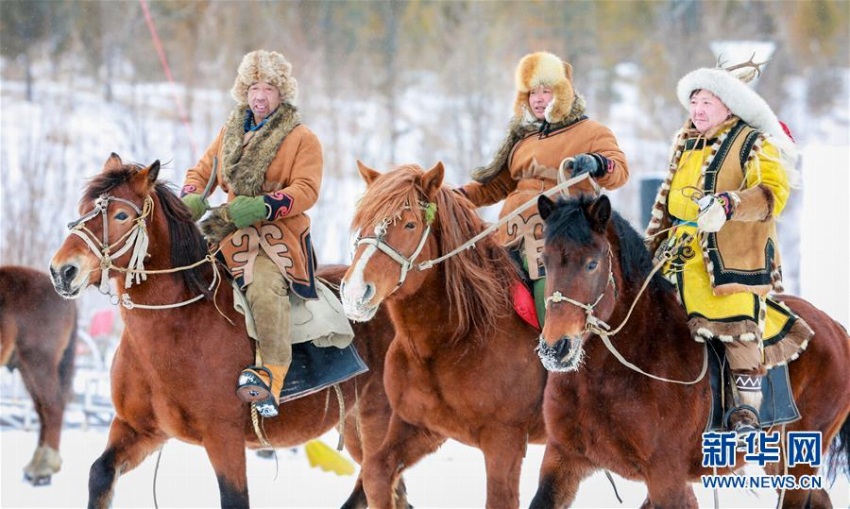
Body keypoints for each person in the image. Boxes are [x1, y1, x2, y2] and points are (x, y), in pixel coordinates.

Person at [644, 63, 812, 438]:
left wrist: (729, 204)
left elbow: (773, 194)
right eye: (693, 102)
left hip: (733, 262)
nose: (698, 110)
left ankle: (746, 409)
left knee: (736, 321)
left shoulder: (754, 141)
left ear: (729, 104)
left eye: (707, 101)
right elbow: (669, 204)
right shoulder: (684, 141)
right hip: (678, 255)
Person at [181, 49, 322, 418]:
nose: (260, 95)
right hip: (227, 231)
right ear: (244, 91)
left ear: (282, 94)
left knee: (261, 284)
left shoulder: (302, 138)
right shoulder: (230, 131)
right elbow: (201, 173)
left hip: (276, 237)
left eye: (269, 88)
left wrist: (267, 205)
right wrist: (191, 197)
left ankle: (272, 376)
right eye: (254, 87)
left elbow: (307, 189)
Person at [458, 51, 629, 328]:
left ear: (562, 93)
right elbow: (497, 185)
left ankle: (553, 351)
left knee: (546, 298)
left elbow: (619, 172)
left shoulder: (591, 132)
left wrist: (597, 163)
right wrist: (459, 196)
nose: (537, 99)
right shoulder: (524, 139)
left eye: (545, 91)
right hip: (509, 235)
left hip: (557, 240)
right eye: (532, 92)